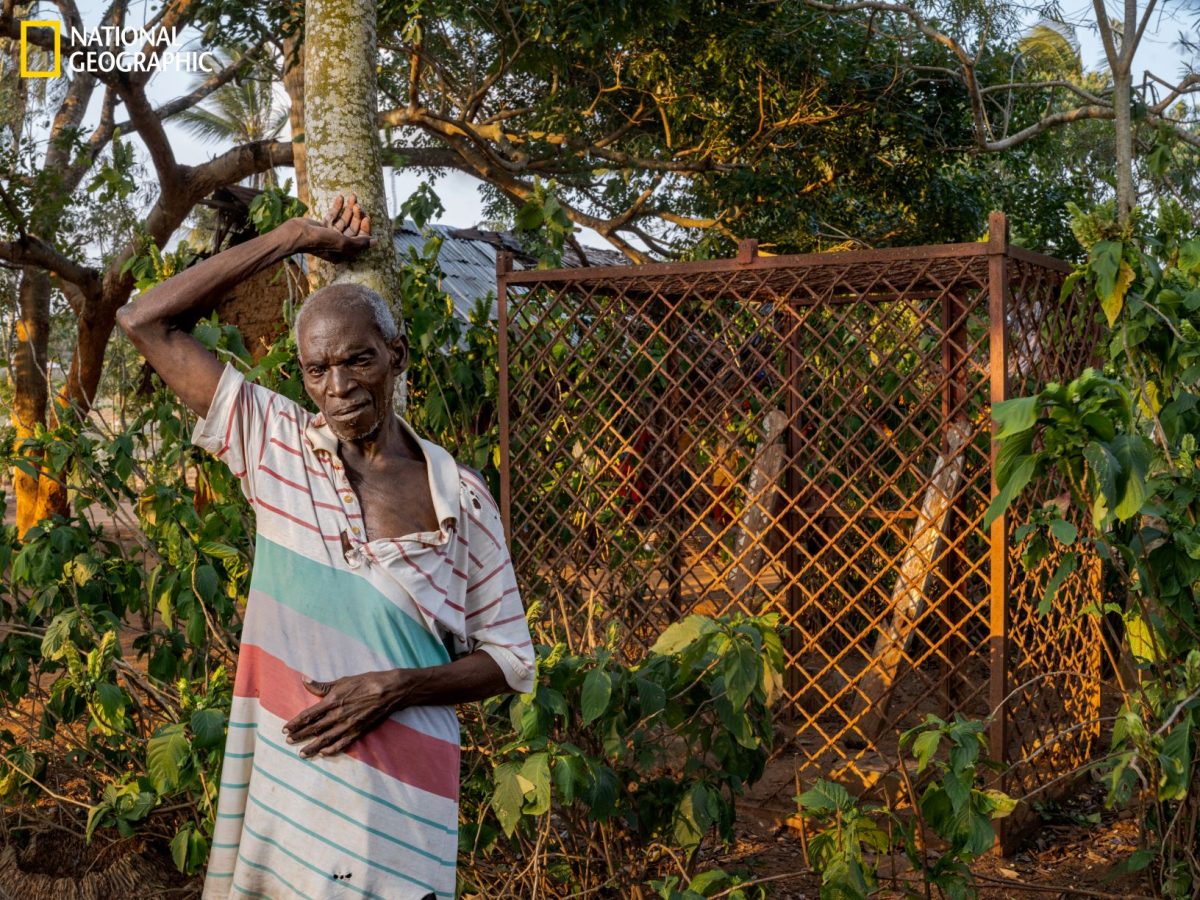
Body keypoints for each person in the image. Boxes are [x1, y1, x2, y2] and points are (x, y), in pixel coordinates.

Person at [117, 194, 535, 900]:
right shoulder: (275, 444)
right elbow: (144, 318)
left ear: (396, 357)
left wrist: (397, 687)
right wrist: (293, 236)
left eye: (358, 360)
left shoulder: (459, 497)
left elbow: (510, 659)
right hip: (292, 800)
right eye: (318, 371)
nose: (339, 389)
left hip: (404, 805)